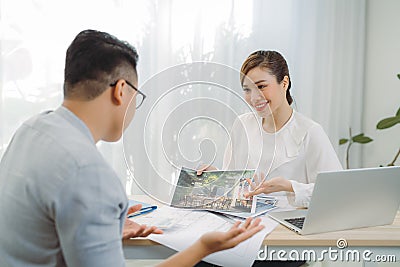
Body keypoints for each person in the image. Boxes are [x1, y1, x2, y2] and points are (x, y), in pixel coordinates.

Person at [0, 30, 264, 267]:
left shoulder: (31, 129)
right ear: (121, 90)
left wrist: (102, 228)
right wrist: (203, 248)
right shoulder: (90, 173)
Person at [198, 50, 342, 208]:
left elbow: (336, 192)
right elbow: (232, 181)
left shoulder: (310, 132)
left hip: (286, 226)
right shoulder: (243, 125)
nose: (254, 97)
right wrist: (215, 176)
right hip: (245, 224)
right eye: (247, 89)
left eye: (261, 86)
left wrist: (289, 187)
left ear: (284, 83)